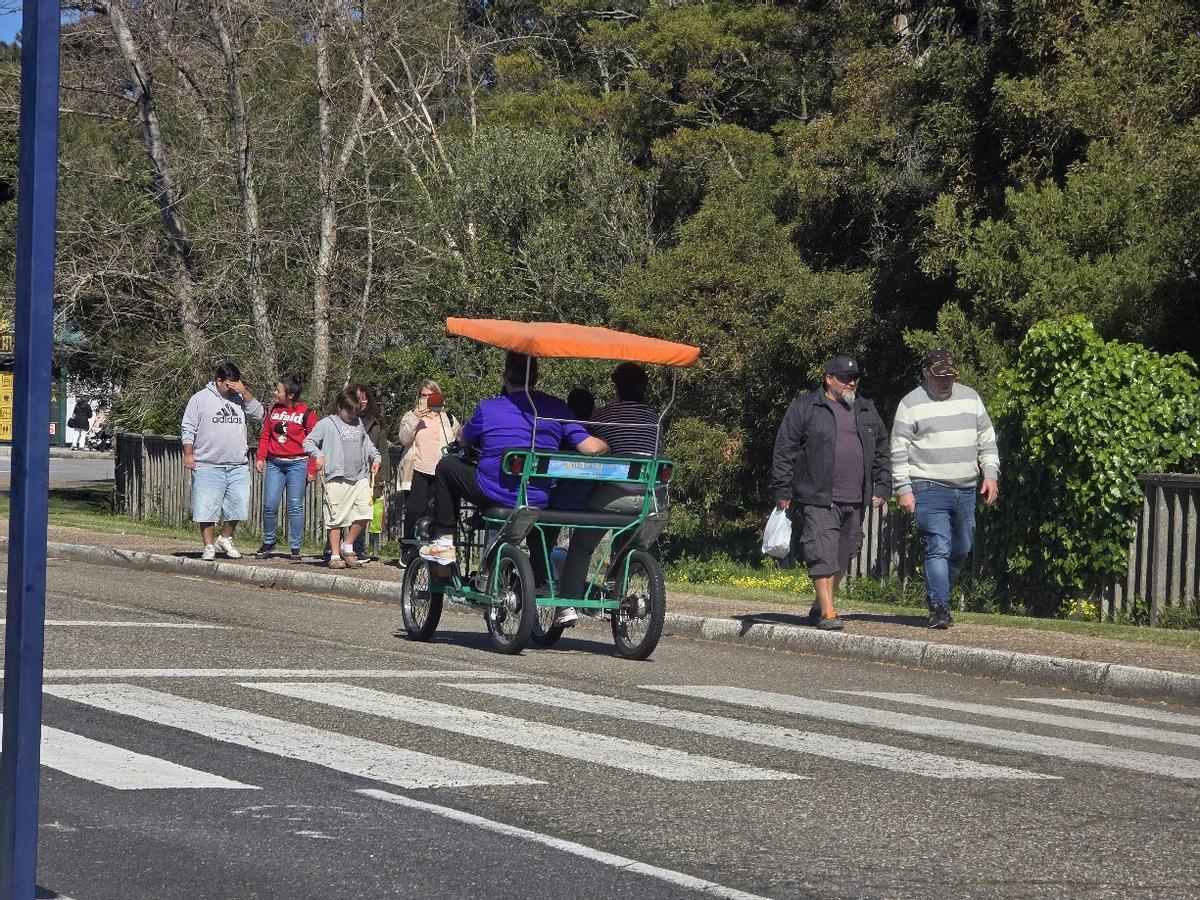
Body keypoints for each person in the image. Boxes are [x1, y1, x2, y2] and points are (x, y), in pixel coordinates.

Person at [418, 352, 608, 581]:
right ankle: (533, 576)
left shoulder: (488, 408)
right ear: (536, 377)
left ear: (505, 376)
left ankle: (445, 542)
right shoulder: (557, 407)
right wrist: (607, 444)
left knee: (446, 467)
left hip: (494, 491)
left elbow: (463, 439)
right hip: (537, 496)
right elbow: (591, 448)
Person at [770, 356, 891, 631]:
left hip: (855, 497)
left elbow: (882, 451)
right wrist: (782, 489)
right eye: (845, 378)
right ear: (828, 379)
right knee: (822, 552)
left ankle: (819, 605)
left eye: (855, 378)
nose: (851, 383)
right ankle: (829, 612)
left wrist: (883, 485)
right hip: (818, 495)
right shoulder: (806, 408)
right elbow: (785, 450)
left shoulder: (866, 409)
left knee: (843, 555)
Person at [891, 348, 1000, 630]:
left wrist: (990, 474)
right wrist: (903, 489)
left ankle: (940, 595)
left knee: (962, 547)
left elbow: (987, 439)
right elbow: (898, 450)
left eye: (950, 376)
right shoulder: (910, 404)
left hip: (965, 488)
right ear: (925, 373)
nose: (945, 381)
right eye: (939, 376)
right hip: (928, 487)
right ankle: (939, 607)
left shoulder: (971, 398)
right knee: (938, 546)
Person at [555, 363, 663, 624]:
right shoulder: (655, 417)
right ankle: (619, 595)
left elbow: (590, 447)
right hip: (654, 499)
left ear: (616, 388)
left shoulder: (605, 415)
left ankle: (568, 604)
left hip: (616, 496)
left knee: (582, 545)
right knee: (628, 545)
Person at [180, 362, 264, 561]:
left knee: (238, 505)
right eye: (229, 383)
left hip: (237, 464)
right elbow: (188, 427)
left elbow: (259, 414)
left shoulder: (240, 399)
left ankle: (225, 538)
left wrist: (245, 392)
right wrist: (188, 453)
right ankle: (209, 546)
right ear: (218, 381)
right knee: (206, 508)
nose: (233, 387)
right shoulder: (200, 399)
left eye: (236, 383)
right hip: (208, 463)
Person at [304, 389, 382, 569]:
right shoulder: (327, 423)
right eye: (349, 412)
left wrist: (376, 458)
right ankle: (334, 555)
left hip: (359, 476)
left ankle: (347, 546)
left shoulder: (359, 423)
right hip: (336, 477)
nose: (352, 416)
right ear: (339, 407)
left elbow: (368, 445)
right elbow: (308, 442)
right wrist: (318, 455)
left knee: (365, 512)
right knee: (335, 517)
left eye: (355, 412)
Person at [396, 380, 461, 566]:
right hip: (417, 468)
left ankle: (436, 549)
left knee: (439, 512)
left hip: (442, 471)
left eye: (431, 396)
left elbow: (457, 440)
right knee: (414, 510)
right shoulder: (411, 416)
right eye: (423, 396)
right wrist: (415, 418)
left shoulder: (448, 418)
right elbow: (404, 439)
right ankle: (409, 549)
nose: (426, 399)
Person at [255, 375, 318, 561]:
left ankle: (296, 546)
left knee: (295, 506)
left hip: (298, 463)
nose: (275, 393)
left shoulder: (307, 413)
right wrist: (261, 457)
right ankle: (269, 540)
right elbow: (266, 435)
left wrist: (311, 468)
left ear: (290, 395)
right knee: (270, 504)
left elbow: (314, 442)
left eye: (279, 390)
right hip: (275, 463)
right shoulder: (273, 410)